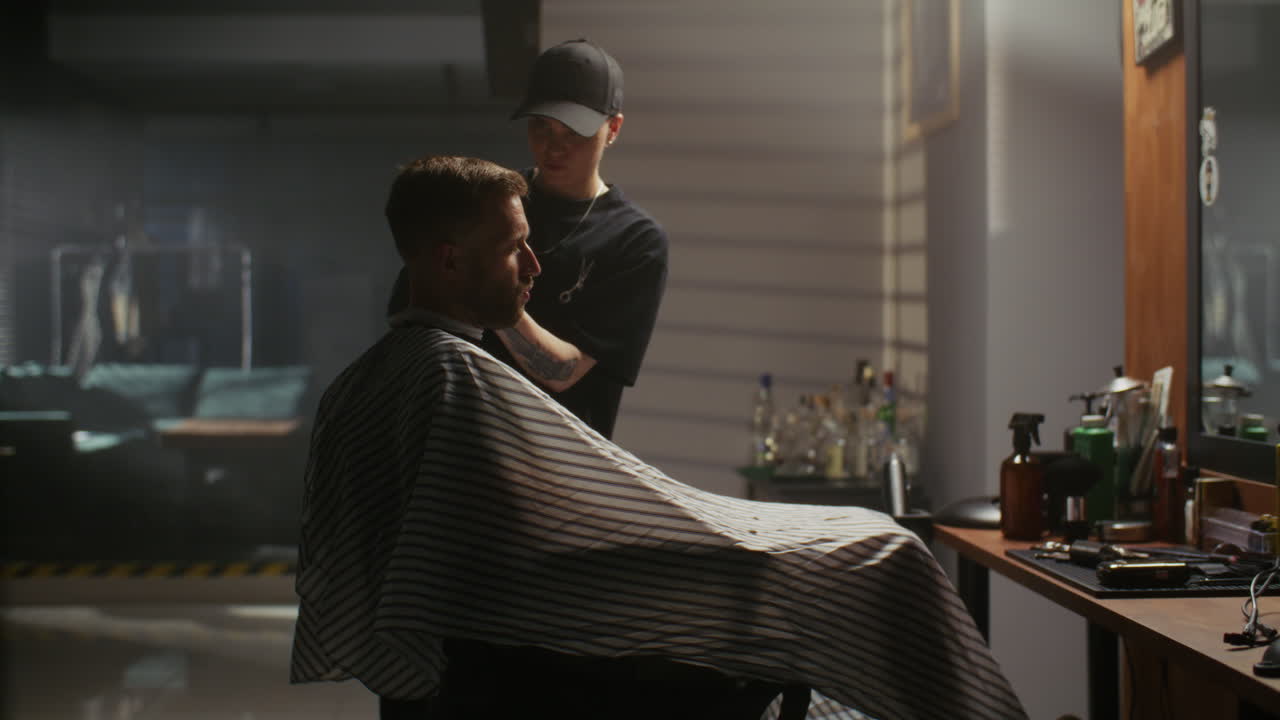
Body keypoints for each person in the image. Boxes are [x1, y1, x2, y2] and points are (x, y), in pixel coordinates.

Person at [293, 154, 1026, 719]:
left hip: (483, 672)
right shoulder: (452, 376)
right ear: (451, 259)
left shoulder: (363, 385)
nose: (536, 266)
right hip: (550, 677)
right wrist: (740, 542)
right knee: (887, 550)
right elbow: (564, 543)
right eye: (515, 247)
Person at [387, 38, 668, 440]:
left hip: (559, 464)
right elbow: (410, 313)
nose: (553, 145)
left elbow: (566, 371)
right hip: (456, 438)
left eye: (574, 131)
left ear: (614, 129)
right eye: (541, 126)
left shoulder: (635, 240)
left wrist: (491, 292)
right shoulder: (488, 201)